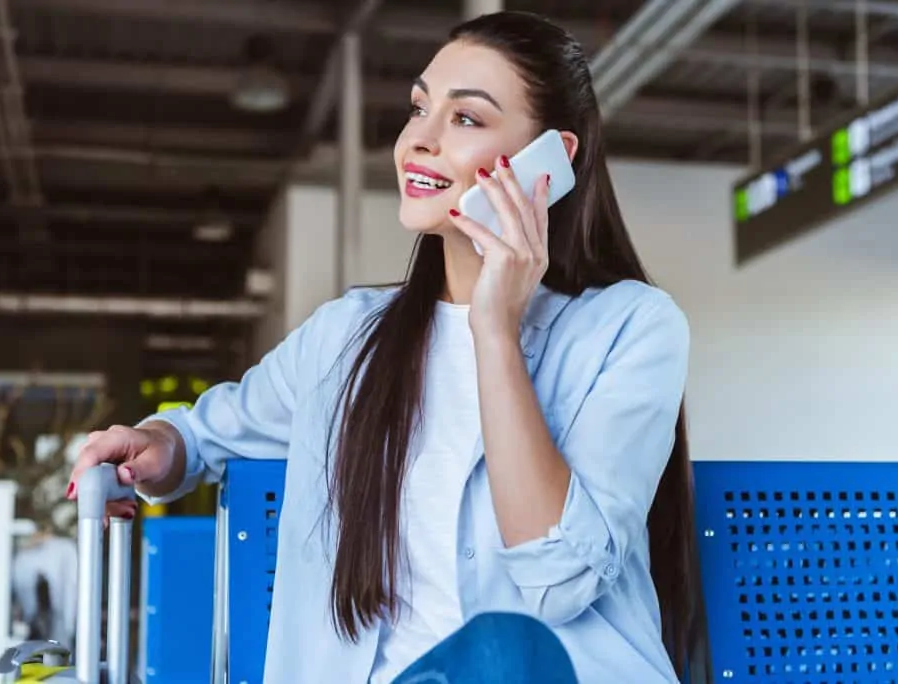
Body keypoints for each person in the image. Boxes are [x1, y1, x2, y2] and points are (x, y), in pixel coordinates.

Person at [68, 10, 699, 684]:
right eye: (419, 108)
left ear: (551, 159)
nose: (418, 141)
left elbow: (560, 577)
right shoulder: (347, 337)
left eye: (465, 120)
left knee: (500, 650)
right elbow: (203, 436)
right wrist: (160, 447)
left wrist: (495, 332)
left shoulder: (630, 327)